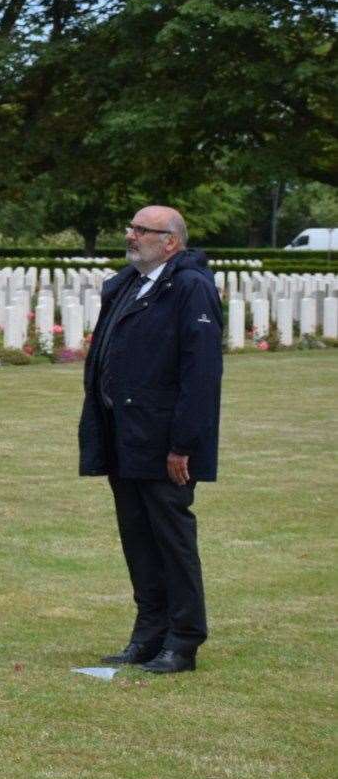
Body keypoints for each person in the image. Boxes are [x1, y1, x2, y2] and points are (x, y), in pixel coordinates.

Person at [80, 205, 221, 674]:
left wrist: (183, 443)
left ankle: (183, 639)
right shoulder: (128, 283)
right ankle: (148, 633)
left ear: (171, 242)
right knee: (138, 539)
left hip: (164, 443)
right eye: (132, 227)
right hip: (126, 435)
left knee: (172, 540)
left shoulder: (188, 287)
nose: (131, 235)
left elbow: (200, 372)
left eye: (143, 230)